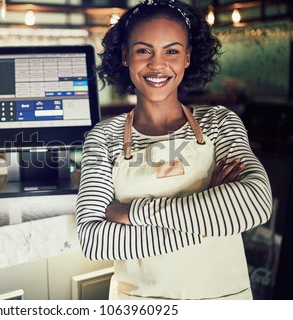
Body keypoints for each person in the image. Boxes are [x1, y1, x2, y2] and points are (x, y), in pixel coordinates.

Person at [75, 0, 272, 300]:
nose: (157, 64)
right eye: (144, 50)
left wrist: (132, 212)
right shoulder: (103, 138)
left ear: (187, 58)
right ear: (126, 56)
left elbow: (254, 203)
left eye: (171, 51)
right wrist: (212, 213)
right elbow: (94, 240)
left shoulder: (220, 122)